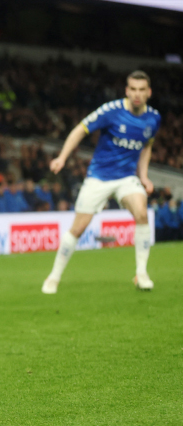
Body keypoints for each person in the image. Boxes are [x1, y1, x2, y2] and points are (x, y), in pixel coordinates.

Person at [42, 71, 160, 294]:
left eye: (141, 90)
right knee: (78, 229)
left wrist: (143, 176)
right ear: (126, 90)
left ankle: (142, 274)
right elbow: (80, 129)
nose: (137, 94)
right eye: (132, 89)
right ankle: (53, 277)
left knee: (142, 213)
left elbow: (147, 146)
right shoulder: (111, 111)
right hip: (99, 177)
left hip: (126, 178)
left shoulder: (154, 118)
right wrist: (62, 157)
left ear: (149, 92)